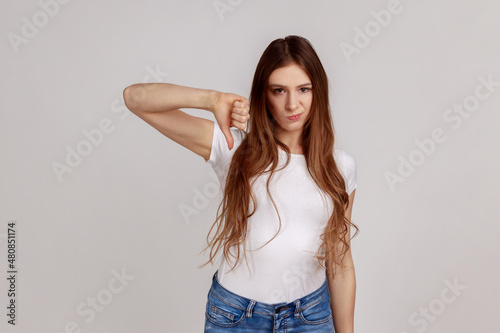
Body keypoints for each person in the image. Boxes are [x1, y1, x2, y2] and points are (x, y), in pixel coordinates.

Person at [123, 35, 358, 333]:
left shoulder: (340, 166)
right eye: (279, 90)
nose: (292, 104)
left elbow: (340, 258)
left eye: (303, 89)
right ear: (264, 95)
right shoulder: (233, 147)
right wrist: (211, 100)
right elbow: (135, 98)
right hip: (237, 318)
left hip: (309, 317)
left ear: (318, 91)